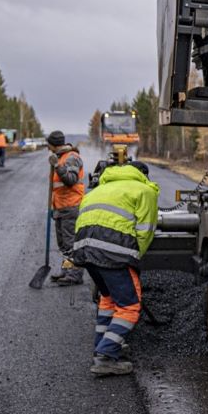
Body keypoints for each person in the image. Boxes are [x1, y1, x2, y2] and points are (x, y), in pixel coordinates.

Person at [71, 160, 159, 376]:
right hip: (113, 252)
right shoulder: (144, 190)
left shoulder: (99, 189)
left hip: (84, 249)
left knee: (108, 298)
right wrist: (134, 257)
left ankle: (101, 347)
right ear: (144, 176)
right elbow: (145, 230)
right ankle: (106, 355)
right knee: (129, 306)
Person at [47, 131, 86, 286]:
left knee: (71, 244)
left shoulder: (71, 158)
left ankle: (75, 275)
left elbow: (70, 180)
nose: (47, 147)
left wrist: (57, 166)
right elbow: (57, 187)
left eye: (49, 144)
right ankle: (67, 271)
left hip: (71, 205)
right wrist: (53, 207)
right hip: (60, 207)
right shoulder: (60, 157)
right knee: (63, 244)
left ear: (54, 144)